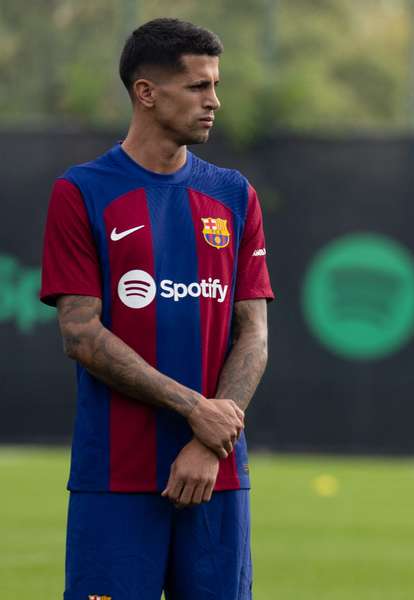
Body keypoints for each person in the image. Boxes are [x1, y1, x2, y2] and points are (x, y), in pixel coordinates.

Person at [39, 18, 273, 599]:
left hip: (217, 475)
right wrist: (196, 409)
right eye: (198, 86)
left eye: (215, 85)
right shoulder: (82, 192)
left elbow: (253, 334)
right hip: (115, 476)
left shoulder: (234, 195)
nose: (214, 101)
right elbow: (81, 333)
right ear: (146, 92)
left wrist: (210, 441)